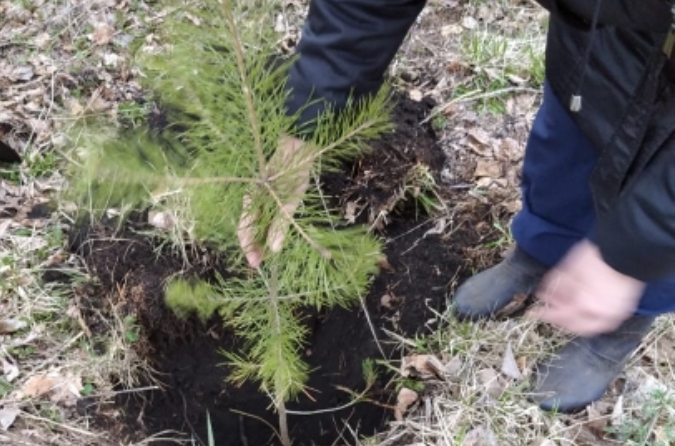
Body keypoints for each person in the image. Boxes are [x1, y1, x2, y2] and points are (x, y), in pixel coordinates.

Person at [238, 0, 675, 413]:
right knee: (569, 139)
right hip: (599, 36)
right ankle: (540, 250)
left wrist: (632, 255)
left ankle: (623, 323)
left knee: (652, 214)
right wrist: (307, 120)